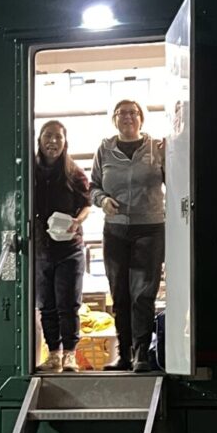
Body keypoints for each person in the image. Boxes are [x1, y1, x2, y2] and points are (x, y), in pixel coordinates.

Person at [90, 99, 165, 372]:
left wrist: (174, 154)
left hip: (150, 228)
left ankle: (141, 354)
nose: (127, 117)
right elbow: (93, 187)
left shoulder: (156, 148)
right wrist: (102, 201)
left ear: (141, 118)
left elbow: (178, 181)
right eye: (122, 113)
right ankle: (124, 355)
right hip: (115, 230)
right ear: (114, 120)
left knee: (143, 294)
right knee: (119, 294)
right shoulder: (105, 149)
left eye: (133, 113)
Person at [32, 120, 92, 372]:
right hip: (41, 249)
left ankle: (69, 355)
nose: (53, 141)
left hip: (69, 249)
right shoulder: (31, 172)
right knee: (46, 304)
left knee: (68, 304)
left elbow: (87, 204)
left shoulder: (74, 173)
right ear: (39, 140)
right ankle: (53, 354)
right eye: (48, 136)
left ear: (65, 142)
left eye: (58, 137)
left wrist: (77, 221)